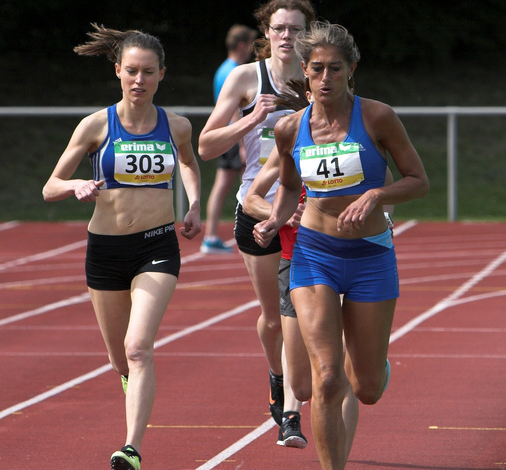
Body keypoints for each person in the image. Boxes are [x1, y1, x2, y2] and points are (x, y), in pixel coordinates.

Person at [253, 21, 429, 469]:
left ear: (352, 69)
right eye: (317, 69)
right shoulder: (290, 129)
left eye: (335, 68)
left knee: (366, 388)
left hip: (370, 256)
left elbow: (418, 180)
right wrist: (275, 218)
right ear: (305, 72)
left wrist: (376, 195)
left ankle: (374, 362)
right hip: (314, 254)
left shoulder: (377, 117)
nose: (326, 78)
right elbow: (289, 186)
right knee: (327, 379)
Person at [42, 23, 201, 470]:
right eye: (132, 71)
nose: (139, 80)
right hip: (106, 251)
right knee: (120, 359)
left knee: (138, 347)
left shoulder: (177, 125)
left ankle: (131, 449)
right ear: (117, 71)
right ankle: (130, 381)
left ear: (161, 74)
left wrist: (193, 205)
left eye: (148, 72)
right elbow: (49, 187)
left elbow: (189, 163)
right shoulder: (96, 125)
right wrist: (75, 185)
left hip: (157, 245)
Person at [198, 0, 316, 446]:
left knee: (296, 316)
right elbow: (206, 146)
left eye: (296, 29)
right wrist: (252, 118)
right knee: (273, 319)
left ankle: (292, 414)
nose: (287, 36)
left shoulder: (318, 76)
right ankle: (277, 376)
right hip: (257, 208)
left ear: (308, 33)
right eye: (280, 28)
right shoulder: (246, 78)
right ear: (266, 32)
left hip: (307, 212)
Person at [201, 24, 258, 254]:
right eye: (251, 45)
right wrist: (243, 144)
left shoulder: (223, 69)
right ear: (242, 45)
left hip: (226, 135)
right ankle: (253, 231)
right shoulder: (235, 71)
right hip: (233, 136)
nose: (253, 50)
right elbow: (235, 110)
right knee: (252, 183)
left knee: (223, 185)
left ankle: (211, 235)